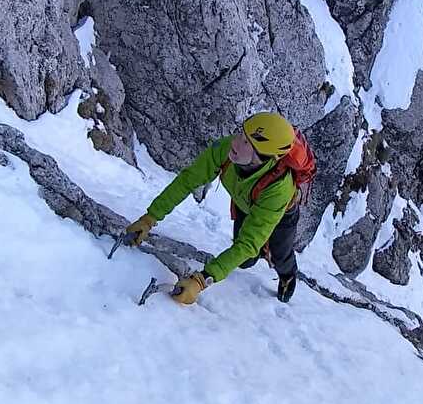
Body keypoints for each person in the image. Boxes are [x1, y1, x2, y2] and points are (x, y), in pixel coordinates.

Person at [126, 112, 314, 306]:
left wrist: (202, 279)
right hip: (246, 203)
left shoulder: (279, 189)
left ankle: (288, 275)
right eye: (241, 133)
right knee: (245, 260)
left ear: (265, 158)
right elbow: (187, 181)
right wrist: (149, 218)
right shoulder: (227, 149)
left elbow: (247, 244)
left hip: (281, 214)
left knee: (279, 255)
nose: (237, 142)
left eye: (248, 143)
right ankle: (260, 252)